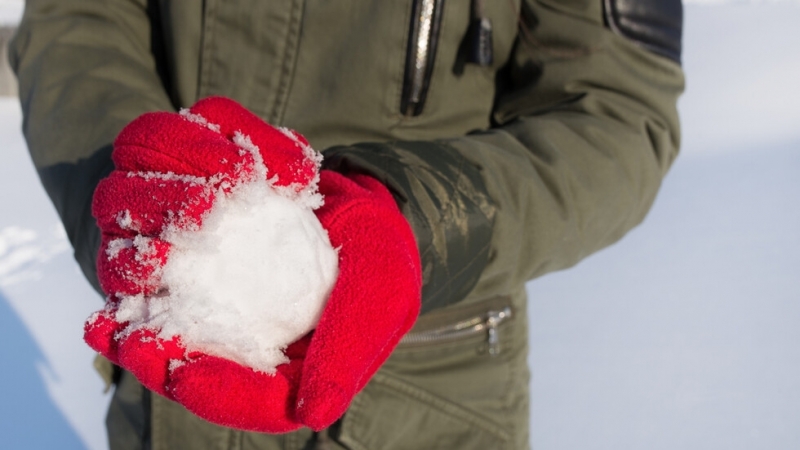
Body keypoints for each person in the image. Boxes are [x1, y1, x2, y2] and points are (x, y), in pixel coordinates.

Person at [9, 0, 684, 448]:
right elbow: (78, 20)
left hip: (427, 395)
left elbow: (616, 114)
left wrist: (415, 218)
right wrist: (136, 185)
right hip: (168, 385)